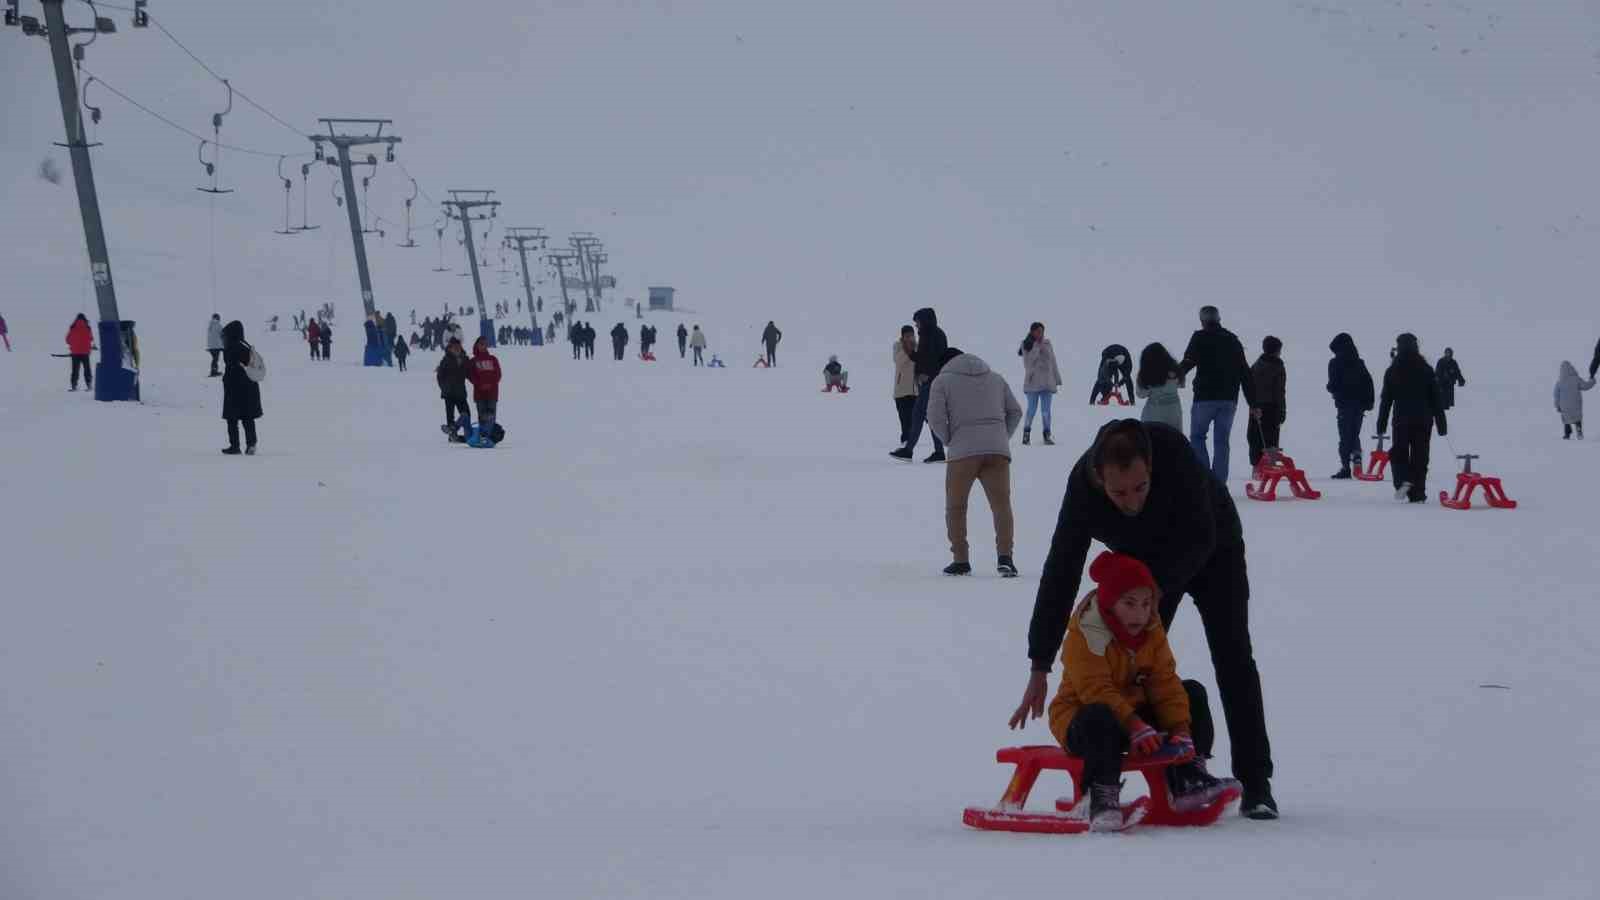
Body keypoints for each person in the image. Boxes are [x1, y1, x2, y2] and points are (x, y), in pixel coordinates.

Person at [1012, 419, 1278, 819]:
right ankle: (1117, 775)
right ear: (1100, 478)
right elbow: (1061, 570)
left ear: (1150, 467)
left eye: (1141, 488)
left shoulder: (1173, 451)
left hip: (1212, 550)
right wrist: (1040, 660)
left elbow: (1201, 535)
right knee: (1136, 671)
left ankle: (1256, 784)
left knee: (1233, 657)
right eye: (1118, 493)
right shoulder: (1083, 488)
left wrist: (1151, 597)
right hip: (1139, 574)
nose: (1131, 502)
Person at [1047, 550, 1237, 831]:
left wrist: (1181, 728)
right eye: (1130, 603)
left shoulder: (1150, 628)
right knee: (1100, 716)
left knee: (1191, 692)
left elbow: (1164, 681)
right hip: (1084, 720)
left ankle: (1189, 776)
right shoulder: (1086, 633)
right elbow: (1094, 690)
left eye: (1146, 603)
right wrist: (1133, 723)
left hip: (1134, 719)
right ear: (1111, 603)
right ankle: (1101, 795)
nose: (1140, 613)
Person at [927, 349, 1023, 577]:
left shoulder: (942, 381)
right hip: (997, 452)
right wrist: (1000, 436)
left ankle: (961, 560)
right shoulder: (996, 378)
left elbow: (934, 416)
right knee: (1001, 505)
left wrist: (950, 439)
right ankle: (1005, 557)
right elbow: (1016, 411)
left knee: (956, 507)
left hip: (962, 453)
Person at [1177, 305, 1258, 483]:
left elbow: (1188, 362)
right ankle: (1219, 483)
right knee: (1222, 441)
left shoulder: (1199, 337)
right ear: (1219, 319)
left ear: (1202, 321)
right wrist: (1253, 403)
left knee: (1197, 437)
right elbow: (1245, 373)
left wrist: (1173, 377)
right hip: (1229, 400)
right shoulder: (1233, 340)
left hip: (1204, 399)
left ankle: (1205, 479)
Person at [1376, 333, 1447, 504]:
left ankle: (1402, 480)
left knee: (1399, 452)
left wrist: (1381, 423)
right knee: (1420, 455)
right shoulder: (1426, 369)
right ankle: (1418, 494)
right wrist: (1441, 423)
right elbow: (1436, 398)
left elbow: (1386, 399)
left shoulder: (1393, 371)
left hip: (1402, 419)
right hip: (1424, 419)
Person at [890, 307, 949, 463]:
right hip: (935, 380)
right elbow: (926, 358)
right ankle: (939, 452)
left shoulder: (929, 335)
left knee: (918, 414)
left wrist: (924, 373)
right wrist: (911, 354)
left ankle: (908, 450)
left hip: (930, 382)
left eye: (917, 322)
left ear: (923, 320)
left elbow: (928, 359)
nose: (916, 326)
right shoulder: (936, 333)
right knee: (929, 416)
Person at [1326, 333, 1375, 479]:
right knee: (1354, 433)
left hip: (1344, 404)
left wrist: (1330, 388)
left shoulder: (1334, 363)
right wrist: (1369, 402)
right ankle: (1357, 459)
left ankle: (1346, 467)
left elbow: (1333, 384)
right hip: (1359, 405)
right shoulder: (1359, 363)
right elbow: (1369, 383)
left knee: (1344, 435)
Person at [219, 320, 262, 455]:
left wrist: (225, 380)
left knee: (232, 418)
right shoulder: (246, 346)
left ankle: (235, 446)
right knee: (247, 417)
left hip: (235, 388)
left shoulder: (230, 348)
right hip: (249, 387)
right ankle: (251, 444)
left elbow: (231, 369)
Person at [1017, 321, 1063, 446]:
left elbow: (1053, 361)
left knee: (1046, 411)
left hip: (1047, 383)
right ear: (1032, 332)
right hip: (1032, 383)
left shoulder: (1048, 343)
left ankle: (1047, 435)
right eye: (1038, 331)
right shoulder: (1026, 344)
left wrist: (1057, 378)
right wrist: (1036, 346)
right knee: (1031, 410)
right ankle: (1026, 435)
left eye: (1042, 331)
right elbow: (1028, 364)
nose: (1040, 334)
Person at [1246, 336, 1287, 467]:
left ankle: (1257, 466)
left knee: (1255, 438)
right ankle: (1270, 466)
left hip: (1256, 407)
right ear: (1277, 351)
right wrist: (1282, 410)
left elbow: (1249, 387)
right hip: (1273, 408)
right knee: (1271, 439)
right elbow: (1280, 392)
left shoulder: (1256, 366)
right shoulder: (1278, 367)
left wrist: (1252, 405)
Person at [1135, 343, 1184, 433]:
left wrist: (1140, 377)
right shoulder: (1175, 371)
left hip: (1152, 417)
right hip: (1174, 414)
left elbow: (1140, 394)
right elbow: (1181, 385)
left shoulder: (1148, 375)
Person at [436, 337, 472, 441]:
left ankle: (463, 433)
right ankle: (452, 436)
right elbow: (440, 376)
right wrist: (444, 388)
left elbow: (469, 373)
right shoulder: (446, 360)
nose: (457, 348)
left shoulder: (465, 359)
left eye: (458, 346)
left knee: (466, 413)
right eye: (454, 347)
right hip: (449, 392)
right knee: (450, 416)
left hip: (460, 392)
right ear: (450, 348)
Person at [469, 336, 502, 442]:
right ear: (477, 346)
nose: (483, 346)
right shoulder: (473, 361)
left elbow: (498, 374)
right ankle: (482, 436)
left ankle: (490, 437)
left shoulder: (493, 359)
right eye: (481, 344)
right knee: (482, 416)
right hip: (479, 393)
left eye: (485, 344)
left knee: (491, 415)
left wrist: (490, 384)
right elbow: (471, 376)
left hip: (492, 393)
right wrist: (480, 385)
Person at [1554, 361, 1595, 440]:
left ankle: (1567, 433)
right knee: (1577, 418)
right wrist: (1592, 381)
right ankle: (1579, 431)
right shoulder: (1576, 379)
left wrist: (1557, 405)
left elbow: (1556, 395)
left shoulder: (1559, 383)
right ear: (1572, 368)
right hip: (1576, 404)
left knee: (1566, 419)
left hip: (1564, 406)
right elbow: (1586, 386)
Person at [893, 326, 918, 443]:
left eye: (911, 335)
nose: (910, 338)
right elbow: (898, 361)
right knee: (904, 418)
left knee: (914, 419)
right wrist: (907, 348)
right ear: (902, 336)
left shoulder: (918, 346)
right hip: (901, 391)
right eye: (907, 335)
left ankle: (911, 441)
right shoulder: (898, 346)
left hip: (915, 390)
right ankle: (905, 440)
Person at [66, 313, 93, 391]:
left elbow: (67, 339)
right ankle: (89, 385)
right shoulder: (88, 328)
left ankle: (74, 386)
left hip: (75, 352)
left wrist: (74, 344)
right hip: (85, 352)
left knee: (75, 369)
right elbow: (90, 338)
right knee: (87, 369)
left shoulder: (73, 327)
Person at [206, 313, 224, 377]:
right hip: (216, 346)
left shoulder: (210, 326)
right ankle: (213, 372)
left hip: (211, 346)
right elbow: (222, 335)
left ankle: (214, 371)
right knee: (215, 359)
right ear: (218, 318)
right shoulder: (218, 325)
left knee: (214, 359)